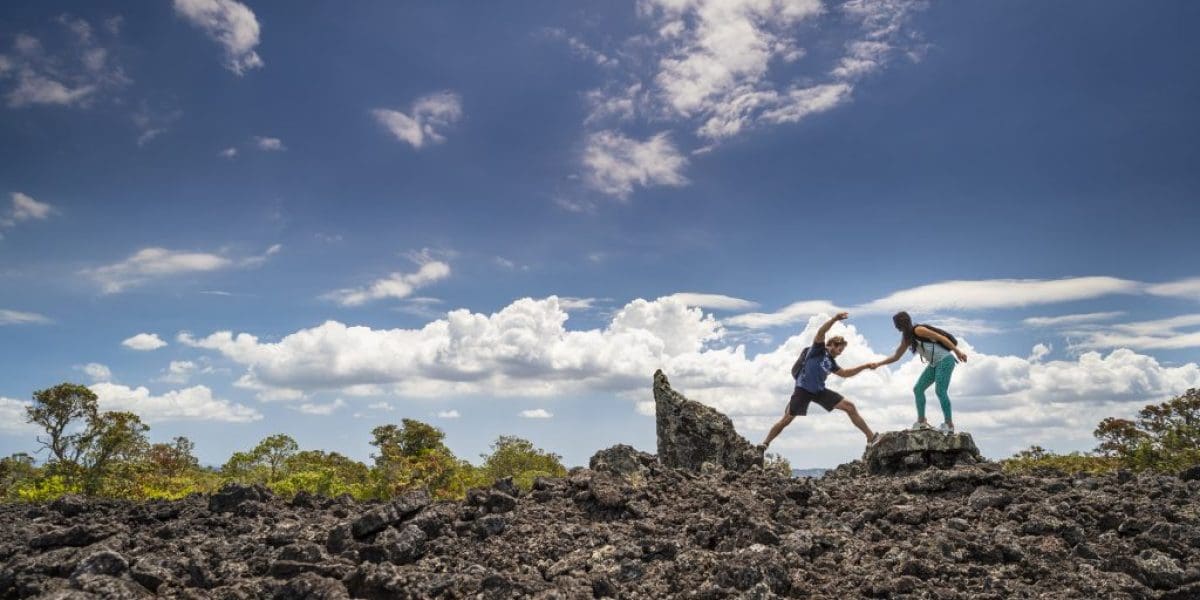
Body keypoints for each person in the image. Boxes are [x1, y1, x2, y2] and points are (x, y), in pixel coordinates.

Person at [760, 312, 881, 451]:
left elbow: (846, 373)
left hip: (819, 391)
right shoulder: (817, 350)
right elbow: (821, 331)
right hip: (803, 389)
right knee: (786, 420)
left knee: (850, 407)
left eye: (842, 351)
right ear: (831, 345)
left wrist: (865, 366)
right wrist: (835, 319)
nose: (840, 353)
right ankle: (765, 443)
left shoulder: (831, 363)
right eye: (839, 349)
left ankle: (871, 438)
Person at [871, 311, 968, 433]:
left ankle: (949, 424)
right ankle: (921, 421)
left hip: (945, 360)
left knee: (940, 391)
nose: (895, 327)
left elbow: (941, 338)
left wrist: (958, 352)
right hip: (935, 364)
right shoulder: (907, 339)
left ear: (900, 323)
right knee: (918, 389)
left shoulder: (919, 330)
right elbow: (896, 357)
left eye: (895, 324)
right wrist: (878, 364)